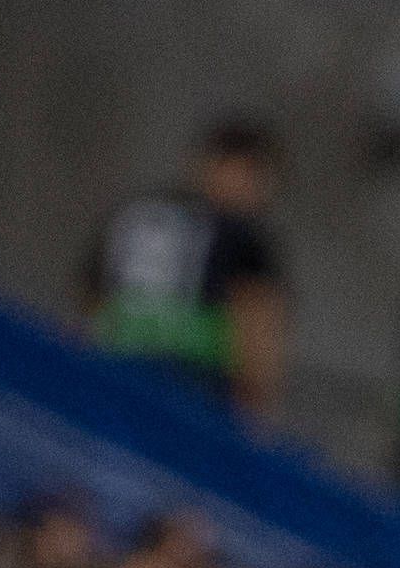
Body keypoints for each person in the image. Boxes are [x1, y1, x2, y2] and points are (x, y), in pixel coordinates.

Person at [85, 118, 291, 422]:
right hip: (195, 400)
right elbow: (257, 328)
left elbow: (91, 298)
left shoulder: (136, 214)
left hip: (112, 387)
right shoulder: (242, 237)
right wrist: (256, 412)